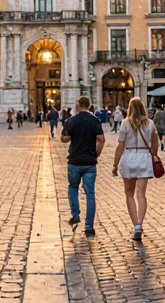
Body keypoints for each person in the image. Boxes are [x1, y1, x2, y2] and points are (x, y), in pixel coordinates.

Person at [110, 97, 157, 242]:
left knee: (129, 194)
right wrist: (152, 155)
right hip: (144, 157)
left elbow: (120, 145)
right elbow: (155, 147)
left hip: (129, 156)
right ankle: (140, 223)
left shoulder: (125, 123)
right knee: (141, 194)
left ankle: (135, 224)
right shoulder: (150, 123)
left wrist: (115, 164)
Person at [61, 96, 105, 237]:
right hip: (90, 162)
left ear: (78, 105)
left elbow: (64, 139)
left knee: (73, 188)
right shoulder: (95, 120)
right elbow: (101, 140)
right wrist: (96, 154)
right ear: (89, 105)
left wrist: (72, 135)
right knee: (90, 193)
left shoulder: (72, 120)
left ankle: (75, 215)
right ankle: (89, 227)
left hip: (75, 161)